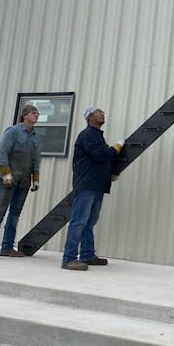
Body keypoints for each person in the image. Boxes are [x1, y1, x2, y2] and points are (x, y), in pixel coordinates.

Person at [61, 106, 124, 271]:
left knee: (89, 222)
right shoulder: (88, 135)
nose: (102, 113)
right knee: (79, 221)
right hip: (87, 185)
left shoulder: (96, 136)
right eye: (98, 112)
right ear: (89, 118)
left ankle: (87, 255)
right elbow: (100, 154)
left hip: (97, 186)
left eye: (103, 111)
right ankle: (69, 258)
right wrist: (116, 148)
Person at [0, 104, 42, 260]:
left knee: (14, 215)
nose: (37, 115)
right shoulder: (13, 132)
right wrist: (6, 174)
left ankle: (7, 247)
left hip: (24, 182)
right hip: (8, 181)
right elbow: (2, 153)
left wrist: (36, 178)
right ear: (24, 115)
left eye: (37, 114)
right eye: (34, 113)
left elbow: (36, 159)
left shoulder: (36, 137)